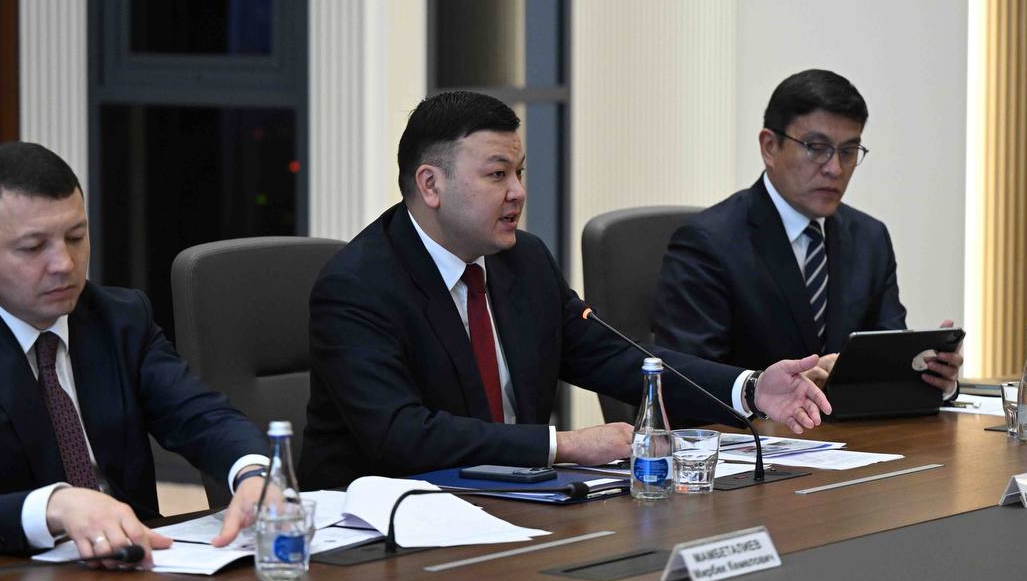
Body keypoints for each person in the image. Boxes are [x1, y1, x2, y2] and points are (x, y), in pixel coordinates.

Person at [300, 91, 832, 489]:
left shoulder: (522, 261)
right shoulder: (359, 286)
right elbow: (400, 434)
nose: (518, 192)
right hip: (384, 533)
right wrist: (565, 446)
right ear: (430, 185)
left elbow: (614, 356)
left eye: (520, 172)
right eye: (497, 175)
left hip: (518, 502)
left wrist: (749, 388)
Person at [0, 142, 268, 565]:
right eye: (33, 247)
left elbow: (202, 416)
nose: (63, 263)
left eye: (76, 237)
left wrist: (253, 472)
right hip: (8, 578)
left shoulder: (120, 319)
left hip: (135, 564)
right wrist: (56, 506)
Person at [652, 69, 962, 396]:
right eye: (816, 148)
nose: (835, 168)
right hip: (751, 428)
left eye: (848, 151)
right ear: (770, 147)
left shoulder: (870, 239)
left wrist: (931, 378)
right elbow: (686, 382)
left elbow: (886, 360)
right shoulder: (708, 243)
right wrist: (766, 391)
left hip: (851, 428)